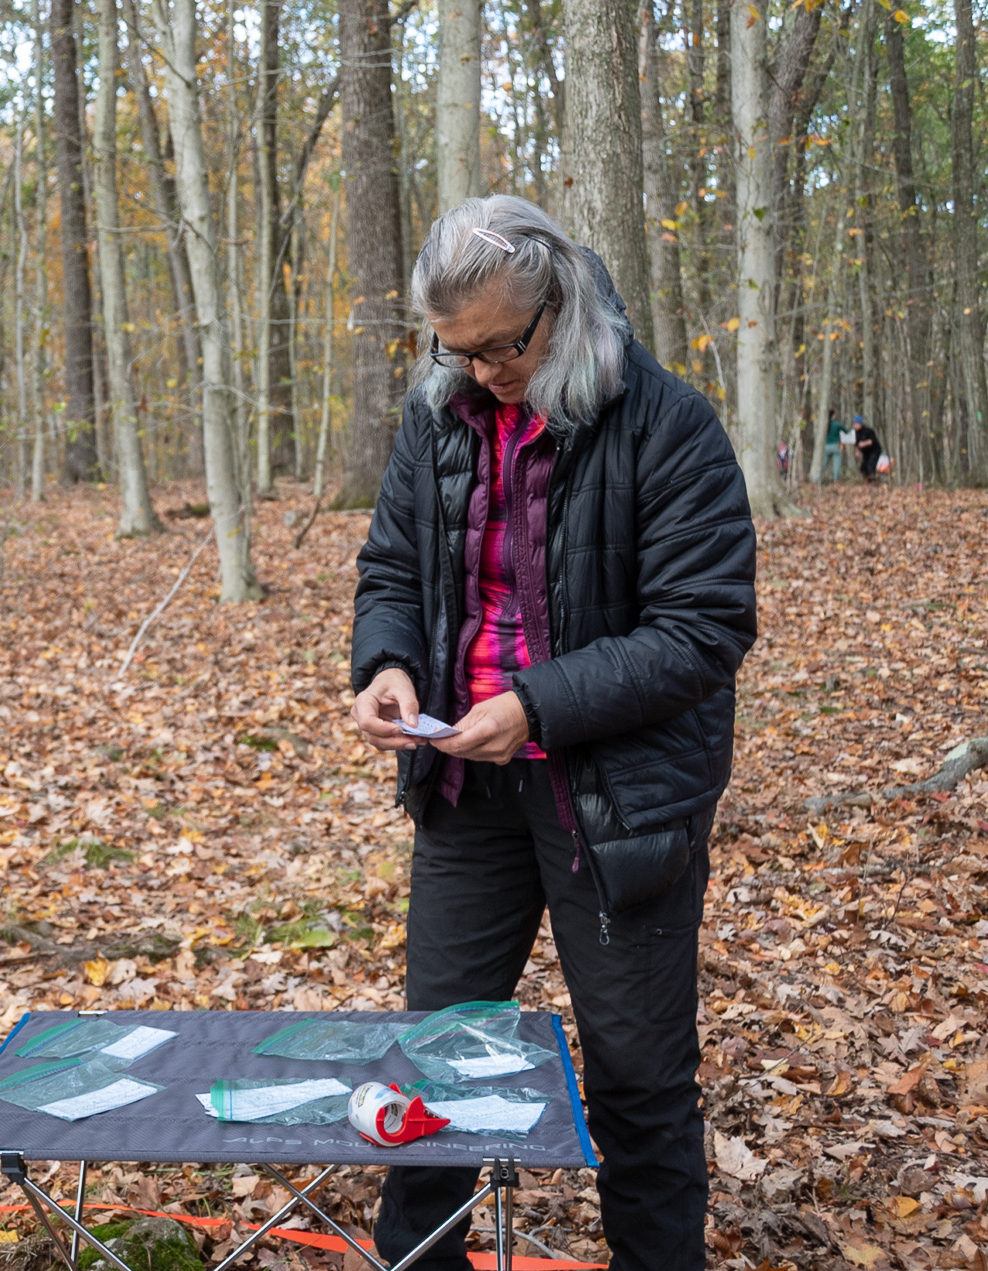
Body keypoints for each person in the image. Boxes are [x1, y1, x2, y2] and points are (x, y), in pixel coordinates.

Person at [348, 196, 756, 1271]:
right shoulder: (439, 416)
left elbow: (700, 630)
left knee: (635, 1069)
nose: (478, 370)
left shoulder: (665, 424)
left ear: (557, 304)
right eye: (455, 350)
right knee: (432, 1057)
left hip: (619, 801)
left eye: (497, 346)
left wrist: (534, 704)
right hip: (463, 786)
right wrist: (387, 665)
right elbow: (391, 568)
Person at [855, 416, 882, 482]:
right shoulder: (856, 433)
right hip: (866, 453)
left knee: (870, 466)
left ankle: (873, 481)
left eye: (856, 424)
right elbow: (857, 444)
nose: (854, 425)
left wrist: (863, 443)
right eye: (854, 424)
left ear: (860, 424)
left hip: (874, 451)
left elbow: (871, 441)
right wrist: (857, 451)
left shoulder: (869, 431)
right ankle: (867, 481)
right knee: (863, 468)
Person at [825, 412, 843, 482]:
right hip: (836, 446)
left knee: (824, 464)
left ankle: (819, 478)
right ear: (833, 415)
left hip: (826, 447)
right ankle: (836, 480)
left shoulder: (825, 424)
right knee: (837, 464)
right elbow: (846, 431)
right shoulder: (837, 424)